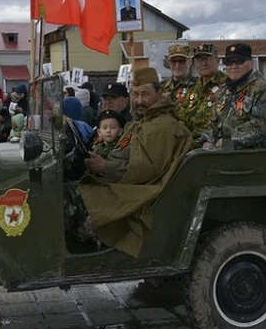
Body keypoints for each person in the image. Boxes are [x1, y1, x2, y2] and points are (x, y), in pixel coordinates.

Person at [71, 67, 191, 257]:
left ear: (158, 95)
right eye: (135, 94)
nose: (139, 100)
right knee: (73, 187)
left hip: (140, 190)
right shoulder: (143, 121)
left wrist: (105, 167)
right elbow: (123, 151)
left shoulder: (161, 126)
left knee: (71, 200)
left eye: (145, 94)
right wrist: (100, 161)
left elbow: (144, 169)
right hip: (122, 180)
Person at [201, 43, 266, 150]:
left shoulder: (261, 89)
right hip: (222, 153)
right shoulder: (224, 90)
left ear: (250, 63)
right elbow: (213, 122)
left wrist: (228, 141)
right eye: (229, 62)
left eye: (239, 61)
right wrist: (207, 140)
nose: (233, 66)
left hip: (252, 154)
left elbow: (262, 127)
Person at [182, 43, 227, 149]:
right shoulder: (192, 89)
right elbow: (183, 119)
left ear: (217, 60)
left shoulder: (228, 86)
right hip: (192, 143)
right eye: (199, 60)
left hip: (215, 145)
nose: (204, 63)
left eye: (208, 58)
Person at [161, 43, 195, 114]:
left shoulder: (197, 86)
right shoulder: (161, 87)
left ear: (189, 62)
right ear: (169, 63)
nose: (177, 65)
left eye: (181, 61)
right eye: (173, 61)